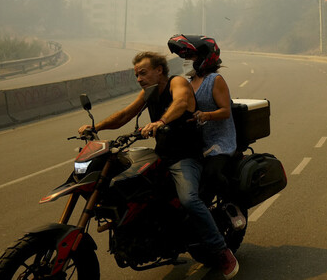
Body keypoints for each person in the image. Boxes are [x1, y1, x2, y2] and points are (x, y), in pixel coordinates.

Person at [77, 51, 238, 278]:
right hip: (161, 155)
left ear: (159, 70)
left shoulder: (177, 83)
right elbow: (125, 114)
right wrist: (97, 128)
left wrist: (161, 121)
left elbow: (181, 102)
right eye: (136, 75)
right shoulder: (149, 92)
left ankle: (221, 250)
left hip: (185, 158)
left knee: (189, 199)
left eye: (143, 73)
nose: (139, 79)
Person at [166, 35, 237, 178]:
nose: (186, 62)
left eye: (190, 57)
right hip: (198, 143)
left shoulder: (214, 80)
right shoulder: (188, 83)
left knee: (211, 174)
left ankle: (232, 199)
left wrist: (206, 115)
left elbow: (225, 112)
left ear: (204, 57)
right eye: (185, 58)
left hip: (219, 143)